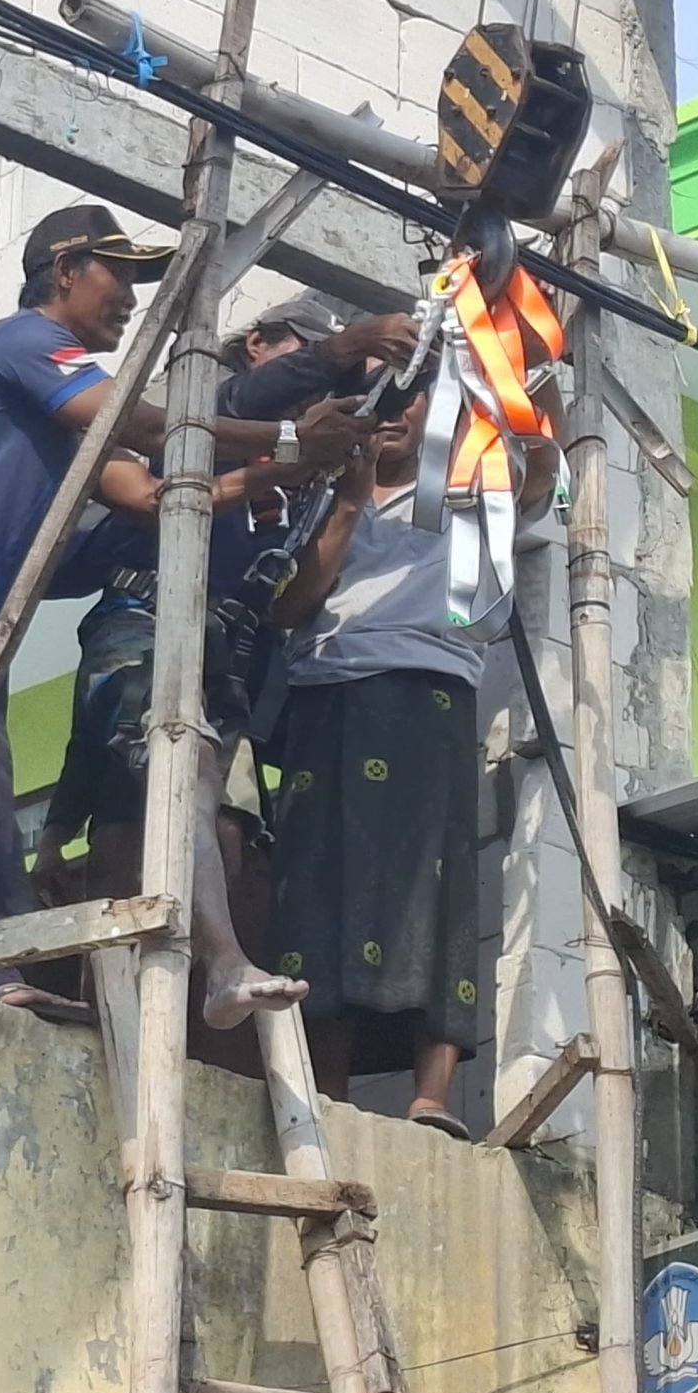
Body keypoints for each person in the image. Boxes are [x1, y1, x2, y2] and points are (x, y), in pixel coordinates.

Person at [0, 202, 370, 1020]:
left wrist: (281, 472)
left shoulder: (61, 414)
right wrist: (290, 439)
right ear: (64, 272)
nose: (129, 298)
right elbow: (151, 428)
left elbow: (160, 496)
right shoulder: (24, 343)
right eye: (117, 276)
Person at [29, 292, 419, 1039]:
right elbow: (236, 405)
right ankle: (165, 988)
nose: (312, 386)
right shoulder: (213, 409)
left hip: (224, 653)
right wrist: (339, 356)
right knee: (142, 809)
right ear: (259, 343)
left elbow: (286, 602)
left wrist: (345, 491)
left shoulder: (302, 467)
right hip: (146, 616)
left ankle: (183, 1012)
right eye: (298, 352)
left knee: (226, 827)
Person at [263, 384, 550, 1136]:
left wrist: (524, 375)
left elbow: (542, 482)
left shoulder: (469, 490)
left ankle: (432, 1096)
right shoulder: (314, 498)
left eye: (408, 396)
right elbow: (288, 606)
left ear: (436, 407)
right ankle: (328, 1090)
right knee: (320, 888)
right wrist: (350, 497)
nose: (390, 413)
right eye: (373, 398)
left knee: (437, 884)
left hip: (433, 694)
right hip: (328, 693)